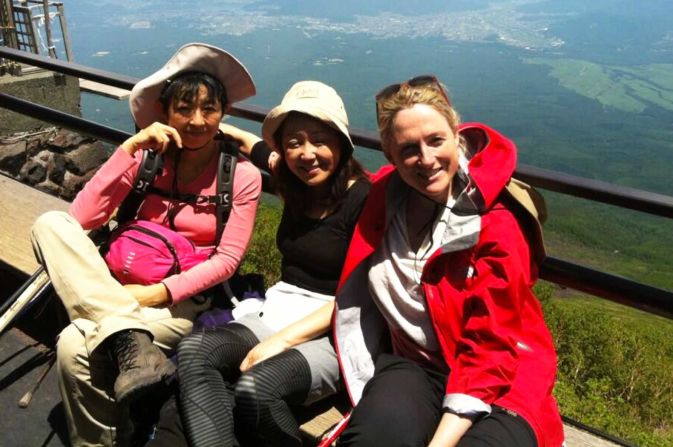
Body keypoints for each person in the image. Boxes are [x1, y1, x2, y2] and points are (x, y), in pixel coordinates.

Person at [30, 43, 262, 446]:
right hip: (112, 285)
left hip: (180, 298)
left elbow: (227, 260)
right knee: (49, 223)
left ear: (224, 114)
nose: (196, 120)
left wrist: (157, 293)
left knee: (72, 344)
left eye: (209, 109)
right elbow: (81, 219)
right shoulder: (147, 159)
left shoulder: (240, 176)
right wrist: (128, 149)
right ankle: (127, 339)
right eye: (185, 108)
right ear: (165, 112)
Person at [331, 75, 565, 446]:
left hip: (506, 375)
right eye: (408, 149)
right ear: (390, 157)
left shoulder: (495, 220)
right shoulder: (384, 198)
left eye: (436, 141)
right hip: (418, 366)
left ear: (457, 136)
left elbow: (492, 343)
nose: (425, 159)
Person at [169, 80, 371, 447]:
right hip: (279, 313)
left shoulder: (364, 201)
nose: (307, 153)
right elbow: (255, 146)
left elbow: (361, 298)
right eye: (294, 142)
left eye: (319, 140)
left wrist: (280, 341)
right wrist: (210, 126)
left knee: (255, 389)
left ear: (342, 142)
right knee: (195, 352)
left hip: (337, 331)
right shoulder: (295, 180)